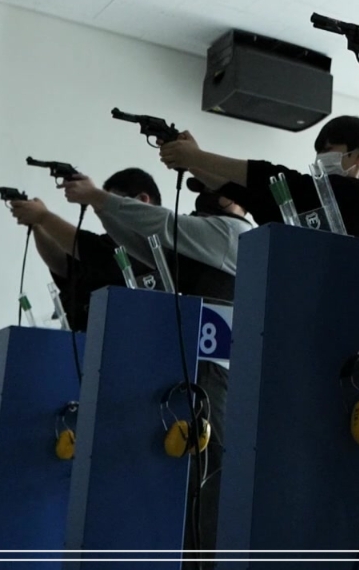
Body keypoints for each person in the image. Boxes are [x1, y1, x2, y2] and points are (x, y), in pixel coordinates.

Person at [62, 167, 251, 565]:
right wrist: (102, 207)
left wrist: (98, 198)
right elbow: (140, 240)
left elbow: (162, 225)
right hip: (185, 372)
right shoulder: (206, 239)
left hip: (210, 376)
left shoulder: (231, 232)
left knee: (207, 478)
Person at [158, 115, 359, 241]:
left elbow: (272, 179)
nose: (320, 158)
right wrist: (191, 163)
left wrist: (197, 157)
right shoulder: (314, 205)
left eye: (328, 149)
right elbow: (249, 196)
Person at [9, 178, 151, 331]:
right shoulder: (107, 248)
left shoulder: (149, 244)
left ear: (142, 200)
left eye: (113, 204)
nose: (107, 213)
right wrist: (37, 225)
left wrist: (43, 217)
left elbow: (93, 251)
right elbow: (63, 265)